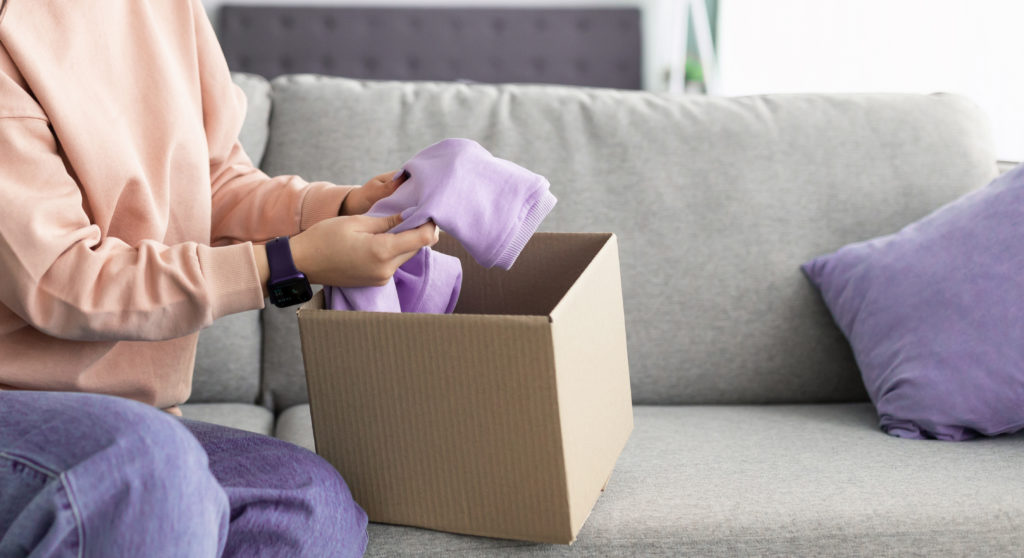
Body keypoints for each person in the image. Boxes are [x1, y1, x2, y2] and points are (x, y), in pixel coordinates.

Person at [0, 0, 437, 555]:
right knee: (146, 466)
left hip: (138, 419)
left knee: (309, 503)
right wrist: (285, 262)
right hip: (20, 409)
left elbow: (214, 178)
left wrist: (342, 207)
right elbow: (63, 282)